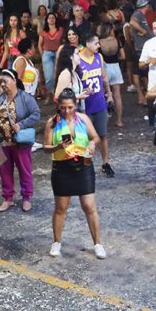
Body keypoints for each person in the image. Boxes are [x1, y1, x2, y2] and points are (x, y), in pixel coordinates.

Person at [44, 88, 105, 258]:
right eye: (63, 107)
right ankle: (56, 242)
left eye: (70, 107)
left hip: (84, 165)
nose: (67, 111)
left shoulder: (83, 119)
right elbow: (46, 147)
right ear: (59, 106)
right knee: (61, 208)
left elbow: (96, 137)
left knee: (89, 206)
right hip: (62, 167)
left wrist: (92, 144)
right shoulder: (52, 123)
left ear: (76, 105)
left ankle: (97, 243)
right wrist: (57, 147)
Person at [0, 69, 41, 213]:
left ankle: (26, 197)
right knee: (4, 172)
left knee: (24, 170)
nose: (3, 84)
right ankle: (8, 198)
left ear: (14, 81)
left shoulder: (25, 97)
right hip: (0, 142)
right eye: (1, 82)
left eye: (5, 81)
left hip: (20, 142)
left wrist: (21, 124)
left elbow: (36, 114)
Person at [75, 34, 115, 177]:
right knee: (85, 137)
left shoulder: (99, 57)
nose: (99, 46)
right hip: (85, 105)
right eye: (96, 43)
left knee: (103, 135)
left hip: (99, 102)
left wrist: (109, 94)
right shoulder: (77, 60)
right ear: (87, 44)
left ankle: (105, 163)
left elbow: (104, 77)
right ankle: (86, 165)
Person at [97, 22, 125, 129]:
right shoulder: (117, 40)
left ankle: (104, 120)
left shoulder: (99, 42)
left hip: (104, 68)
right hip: (116, 67)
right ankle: (119, 120)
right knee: (117, 95)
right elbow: (123, 56)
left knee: (103, 94)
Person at [39, 12, 64, 96]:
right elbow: (39, 44)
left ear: (56, 19)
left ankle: (58, 94)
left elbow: (63, 41)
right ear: (46, 20)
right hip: (47, 54)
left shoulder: (60, 29)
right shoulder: (43, 31)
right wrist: (42, 54)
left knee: (58, 75)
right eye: (49, 18)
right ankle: (50, 94)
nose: (51, 19)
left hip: (58, 53)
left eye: (53, 18)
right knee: (49, 77)